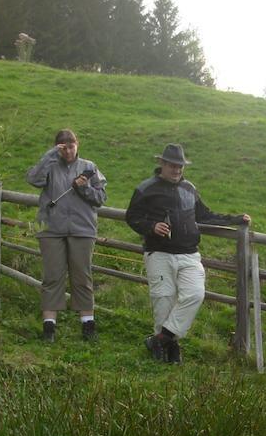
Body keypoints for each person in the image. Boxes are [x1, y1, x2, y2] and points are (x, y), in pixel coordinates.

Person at [125, 143, 250, 364]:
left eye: (180, 166)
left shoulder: (189, 189)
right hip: (159, 253)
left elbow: (204, 216)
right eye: (173, 165)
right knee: (163, 299)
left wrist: (234, 219)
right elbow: (132, 216)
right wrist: (151, 226)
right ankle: (170, 350)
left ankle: (160, 339)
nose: (177, 170)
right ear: (162, 164)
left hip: (189, 254)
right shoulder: (146, 188)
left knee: (195, 294)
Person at [26, 128, 108, 342]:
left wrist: (84, 189)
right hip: (51, 229)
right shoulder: (50, 166)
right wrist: (49, 155)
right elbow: (33, 179)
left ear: (77, 145)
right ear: (57, 148)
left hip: (83, 229)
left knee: (82, 276)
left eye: (71, 146)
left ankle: (88, 324)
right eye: (63, 147)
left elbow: (101, 197)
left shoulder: (89, 167)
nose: (68, 151)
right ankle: (49, 327)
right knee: (52, 277)